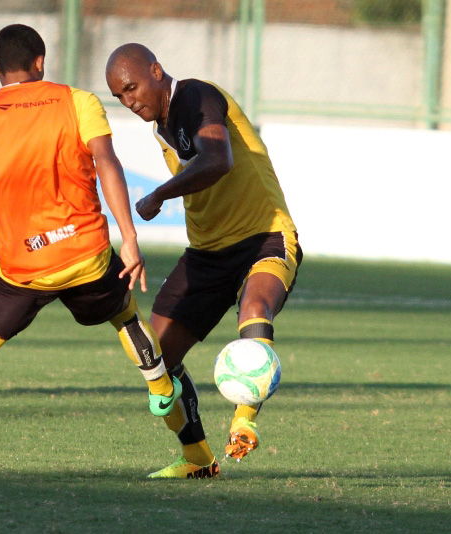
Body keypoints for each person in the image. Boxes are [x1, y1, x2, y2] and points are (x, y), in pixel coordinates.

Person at [0, 26, 182, 482]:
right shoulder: (79, 101)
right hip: (87, 253)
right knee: (125, 317)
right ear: (41, 61)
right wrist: (129, 237)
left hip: (23, 269)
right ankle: (157, 382)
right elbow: (106, 163)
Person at [105, 43, 302, 479]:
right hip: (209, 252)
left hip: (264, 235)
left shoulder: (195, 96)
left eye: (132, 87)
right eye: (119, 96)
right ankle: (197, 459)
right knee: (157, 355)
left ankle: (244, 421)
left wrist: (159, 193)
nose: (128, 100)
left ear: (157, 71)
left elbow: (219, 159)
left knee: (254, 309)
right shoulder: (163, 124)